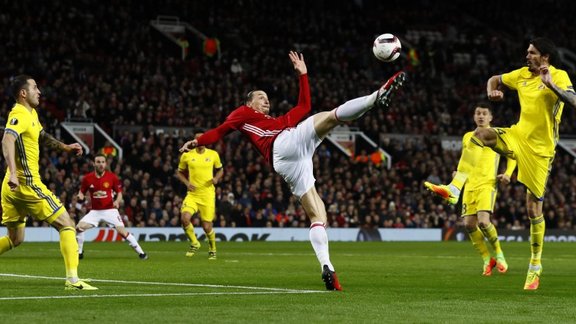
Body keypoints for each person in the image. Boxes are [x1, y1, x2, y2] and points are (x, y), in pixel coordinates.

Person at [180, 51, 406, 290]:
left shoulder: (280, 120)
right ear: (249, 103)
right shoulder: (242, 113)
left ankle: (327, 267)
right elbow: (220, 131)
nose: (266, 100)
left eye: (267, 98)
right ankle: (377, 96)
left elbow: (304, 105)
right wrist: (197, 142)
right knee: (330, 117)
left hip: (291, 162)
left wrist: (303, 75)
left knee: (319, 216)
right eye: (260, 97)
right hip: (283, 145)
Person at [425, 37, 575, 290]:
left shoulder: (559, 75)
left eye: (532, 53)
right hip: (517, 135)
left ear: (545, 57)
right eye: (527, 52)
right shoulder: (522, 75)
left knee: (533, 209)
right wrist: (492, 91)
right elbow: (495, 78)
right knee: (478, 135)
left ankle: (535, 265)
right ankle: (454, 188)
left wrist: (551, 86)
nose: (527, 56)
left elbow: (573, 100)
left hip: (540, 150)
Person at [0, 75, 97, 290]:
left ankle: (73, 278)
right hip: (25, 183)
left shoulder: (31, 114)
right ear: (23, 93)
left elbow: (41, 135)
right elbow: (7, 140)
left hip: (10, 187)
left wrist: (65, 147)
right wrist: (15, 173)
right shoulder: (19, 114)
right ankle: (72, 280)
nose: (39, 91)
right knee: (67, 224)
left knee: (15, 239)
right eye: (35, 87)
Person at [424, 104, 516, 276]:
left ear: (491, 118)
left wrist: (508, 174)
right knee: (468, 224)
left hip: (487, 183)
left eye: (484, 113)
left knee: (483, 221)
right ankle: (487, 259)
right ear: (474, 116)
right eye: (478, 113)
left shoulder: (495, 135)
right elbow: (466, 159)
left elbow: (512, 155)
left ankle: (499, 254)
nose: (481, 116)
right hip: (469, 185)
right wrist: (458, 174)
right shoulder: (467, 136)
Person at [76, 153, 148, 260]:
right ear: (94, 164)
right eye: (98, 162)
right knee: (79, 227)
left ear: (105, 164)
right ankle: (80, 253)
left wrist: (117, 201)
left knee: (122, 232)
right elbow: (81, 191)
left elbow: (119, 193)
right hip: (95, 211)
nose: (101, 164)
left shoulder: (112, 177)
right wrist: (80, 196)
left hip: (110, 210)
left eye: (103, 162)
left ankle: (141, 253)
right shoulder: (87, 178)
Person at [176, 131, 223, 260]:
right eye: (197, 139)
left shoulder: (213, 155)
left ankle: (212, 248)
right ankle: (194, 243)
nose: (199, 141)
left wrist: (216, 178)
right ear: (194, 141)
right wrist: (187, 183)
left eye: (202, 139)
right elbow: (179, 172)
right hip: (192, 195)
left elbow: (221, 170)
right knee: (184, 218)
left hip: (207, 195)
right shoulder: (187, 156)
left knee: (206, 227)